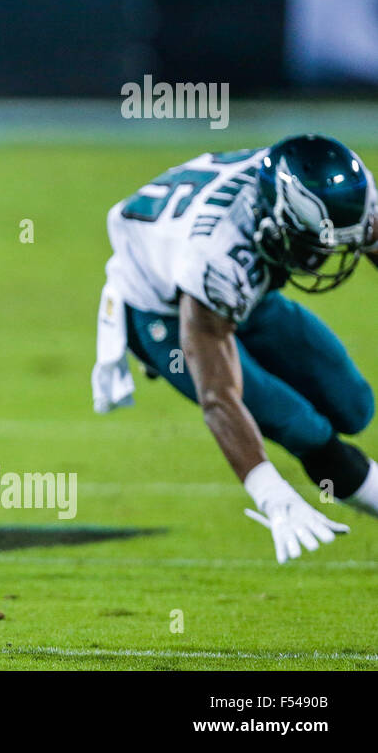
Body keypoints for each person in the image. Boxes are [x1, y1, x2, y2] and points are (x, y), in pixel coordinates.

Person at [92, 135, 378, 563]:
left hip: (253, 287)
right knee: (305, 429)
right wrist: (269, 491)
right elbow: (218, 397)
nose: (327, 259)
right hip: (163, 310)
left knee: (354, 405)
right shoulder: (217, 257)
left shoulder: (344, 192)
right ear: (275, 222)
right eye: (315, 247)